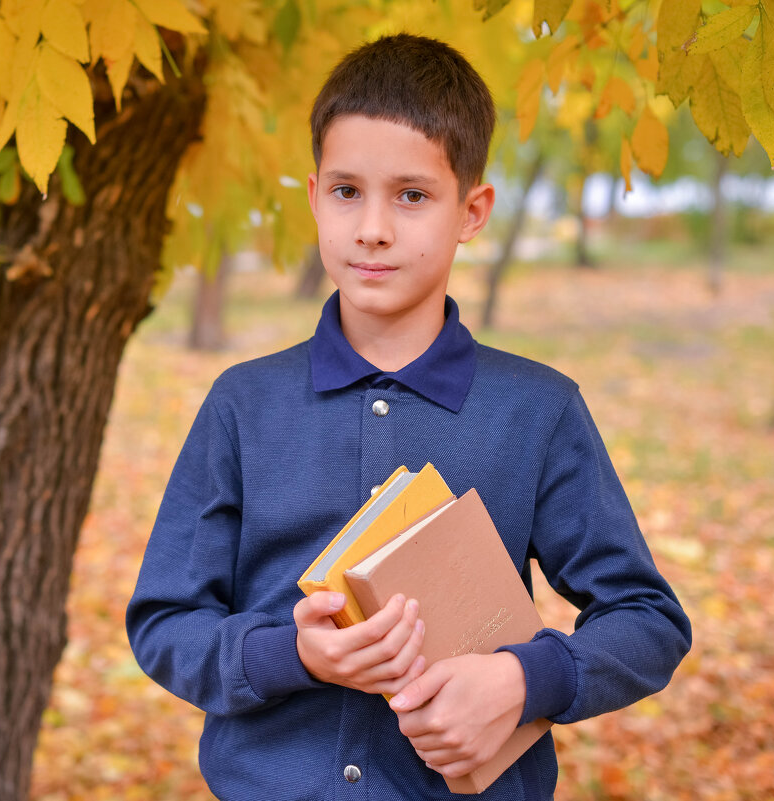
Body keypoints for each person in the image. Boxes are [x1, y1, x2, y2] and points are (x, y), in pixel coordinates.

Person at [126, 33, 691, 801]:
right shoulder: (242, 403)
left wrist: (524, 679)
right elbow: (164, 623)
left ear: (472, 209)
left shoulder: (538, 409)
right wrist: (293, 654)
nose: (373, 229)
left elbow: (648, 619)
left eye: (413, 196)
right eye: (347, 191)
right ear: (314, 194)